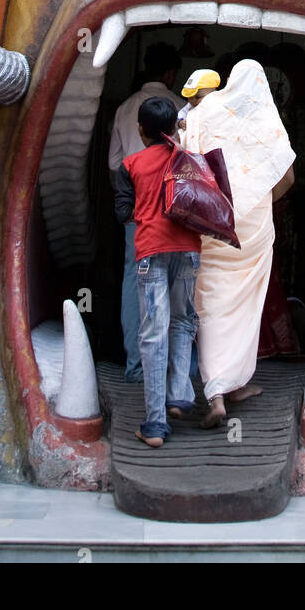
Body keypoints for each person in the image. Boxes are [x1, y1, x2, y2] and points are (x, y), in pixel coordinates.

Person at [182, 59, 295, 428]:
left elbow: (187, 161)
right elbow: (288, 178)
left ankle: (216, 392)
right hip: (254, 225)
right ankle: (235, 383)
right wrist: (258, 202)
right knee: (246, 305)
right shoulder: (263, 118)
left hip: (214, 222)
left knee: (210, 303)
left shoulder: (202, 113)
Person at [113, 96, 201, 447]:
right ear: (172, 128)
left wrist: (146, 212)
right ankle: (179, 394)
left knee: (153, 331)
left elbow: (122, 212)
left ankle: (155, 424)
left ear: (140, 130)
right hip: (189, 249)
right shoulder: (188, 161)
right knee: (182, 321)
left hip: (150, 250)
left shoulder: (130, 164)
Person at [108, 42, 184, 380]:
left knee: (134, 282)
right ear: (170, 74)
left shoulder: (124, 108)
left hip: (136, 215)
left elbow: (113, 162)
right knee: (176, 288)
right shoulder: (181, 107)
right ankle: (175, 370)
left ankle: (136, 364)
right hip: (175, 213)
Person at [175, 67, 220, 135]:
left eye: (198, 97)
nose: (192, 101)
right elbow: (178, 117)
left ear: (213, 92)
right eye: (189, 97)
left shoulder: (219, 106)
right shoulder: (189, 106)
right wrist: (180, 122)